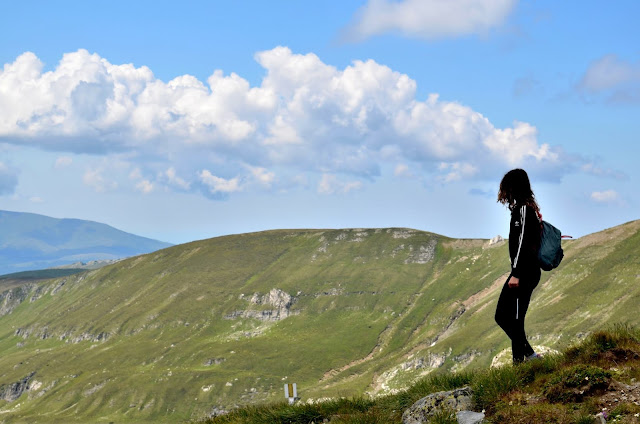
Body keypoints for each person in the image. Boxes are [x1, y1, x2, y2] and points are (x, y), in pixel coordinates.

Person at [495, 168, 542, 364]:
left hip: (524, 273)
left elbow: (522, 243)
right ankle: (529, 356)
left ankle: (520, 364)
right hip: (525, 271)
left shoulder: (524, 210)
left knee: (513, 318)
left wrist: (516, 274)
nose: (504, 193)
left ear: (514, 187)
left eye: (507, 187)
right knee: (504, 316)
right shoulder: (522, 209)